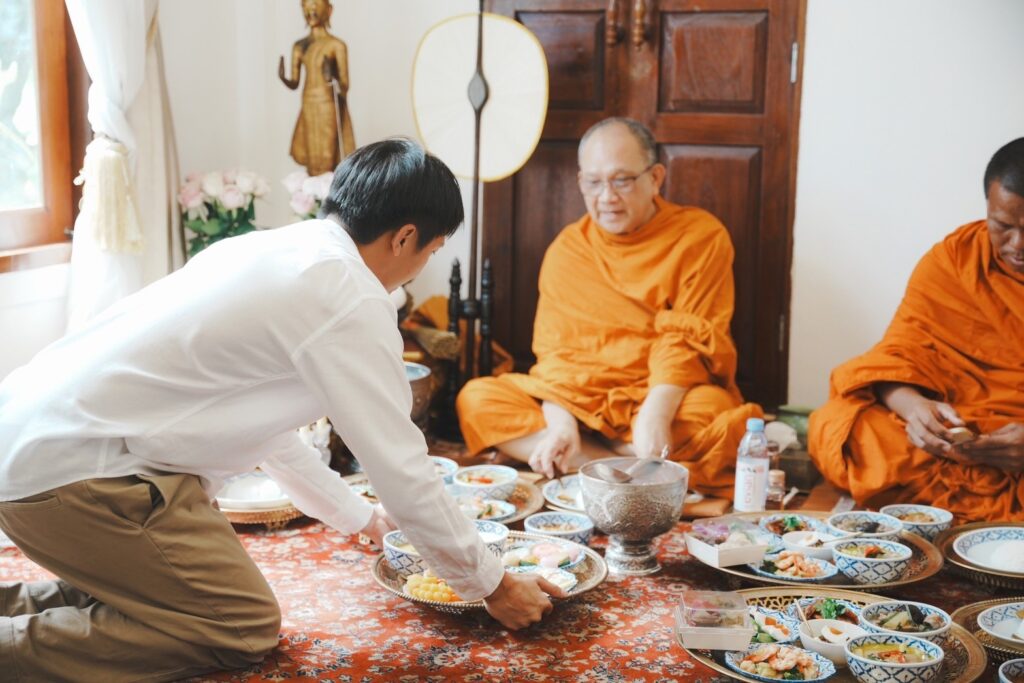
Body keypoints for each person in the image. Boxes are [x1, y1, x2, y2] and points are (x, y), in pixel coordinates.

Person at [0, 139, 562, 683]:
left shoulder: (273, 250)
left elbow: (265, 433)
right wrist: (493, 586)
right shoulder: (348, 296)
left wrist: (362, 518)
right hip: (76, 474)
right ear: (405, 237)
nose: (419, 269)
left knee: (168, 597)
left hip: (34, 443)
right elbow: (401, 467)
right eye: (431, 252)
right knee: (238, 624)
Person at [456, 118, 762, 495]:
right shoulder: (569, 249)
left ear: (655, 178)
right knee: (477, 399)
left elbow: (689, 340)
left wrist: (655, 414)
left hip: (656, 393)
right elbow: (556, 359)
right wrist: (562, 424)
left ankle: (582, 458)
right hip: (579, 399)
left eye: (622, 181)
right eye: (593, 182)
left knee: (714, 412)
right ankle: (617, 464)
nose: (606, 197)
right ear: (580, 181)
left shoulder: (700, 237)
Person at [808, 137, 1024, 522]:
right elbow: (897, 358)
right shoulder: (955, 260)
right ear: (987, 209)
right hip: (953, 441)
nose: (1017, 245)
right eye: (1003, 226)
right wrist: (914, 410)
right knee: (842, 424)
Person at [278, 0, 356, 175]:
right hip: (308, 101)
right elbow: (295, 82)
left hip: (327, 103)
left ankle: (327, 187)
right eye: (306, 8)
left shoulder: (336, 45)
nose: (310, 12)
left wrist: (331, 78)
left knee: (327, 155)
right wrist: (284, 78)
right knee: (311, 153)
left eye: (315, 7)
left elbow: (345, 85)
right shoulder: (299, 46)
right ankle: (313, 189)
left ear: (329, 10)